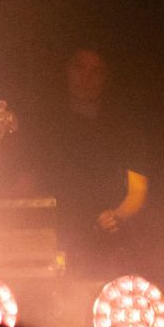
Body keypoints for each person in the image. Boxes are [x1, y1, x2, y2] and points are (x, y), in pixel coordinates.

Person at [33, 45, 151, 266]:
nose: (86, 77)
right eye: (79, 67)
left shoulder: (125, 128)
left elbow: (138, 189)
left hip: (107, 246)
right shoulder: (45, 125)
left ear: (105, 77)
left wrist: (116, 216)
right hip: (54, 239)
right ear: (67, 70)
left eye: (95, 71)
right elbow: (28, 187)